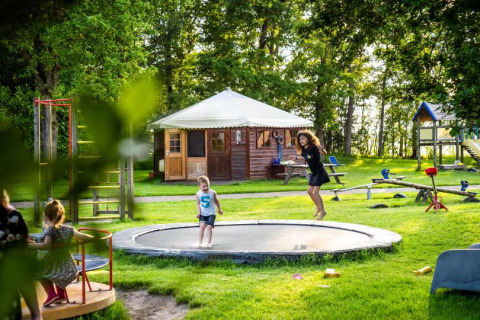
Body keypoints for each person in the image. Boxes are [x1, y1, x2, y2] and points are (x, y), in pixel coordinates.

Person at [28, 200, 93, 307]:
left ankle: (51, 295)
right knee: (55, 272)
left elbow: (46, 245)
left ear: (46, 217)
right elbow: (83, 237)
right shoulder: (69, 229)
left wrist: (30, 246)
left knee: (38, 271)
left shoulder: (50, 231)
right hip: (68, 267)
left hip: (54, 263)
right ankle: (61, 295)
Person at [0, 189, 42, 320]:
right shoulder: (15, 215)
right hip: (21, 266)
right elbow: (25, 238)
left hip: (3, 268)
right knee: (35, 313)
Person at [291, 130, 330, 220]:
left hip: (320, 171)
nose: (301, 140)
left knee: (316, 192)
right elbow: (306, 156)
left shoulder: (313, 147)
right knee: (309, 191)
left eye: (303, 138)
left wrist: (322, 150)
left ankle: (323, 211)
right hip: (314, 172)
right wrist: (296, 157)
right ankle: (318, 207)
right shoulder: (304, 149)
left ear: (309, 139)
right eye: (300, 138)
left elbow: (323, 153)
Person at [195, 175, 223, 248]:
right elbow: (198, 203)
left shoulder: (212, 192)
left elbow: (216, 201)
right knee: (202, 226)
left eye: (207, 186)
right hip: (203, 213)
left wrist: (219, 209)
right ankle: (200, 242)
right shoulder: (198, 194)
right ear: (199, 186)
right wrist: (198, 212)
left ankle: (208, 243)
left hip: (211, 213)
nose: (206, 188)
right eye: (203, 186)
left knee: (209, 227)